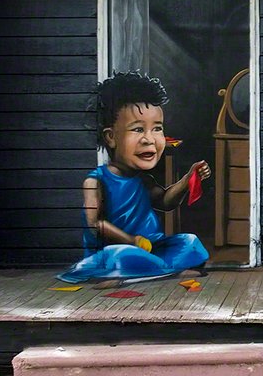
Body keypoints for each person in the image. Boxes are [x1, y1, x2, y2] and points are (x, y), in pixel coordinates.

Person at [57, 72, 211, 284]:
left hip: (152, 248)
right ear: (111, 137)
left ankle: (150, 270)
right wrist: (131, 240)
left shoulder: (142, 180)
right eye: (138, 129)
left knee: (190, 243)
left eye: (157, 128)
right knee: (123, 256)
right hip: (117, 250)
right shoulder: (96, 182)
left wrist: (187, 179)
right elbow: (95, 225)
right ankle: (156, 271)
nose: (149, 139)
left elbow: (166, 201)